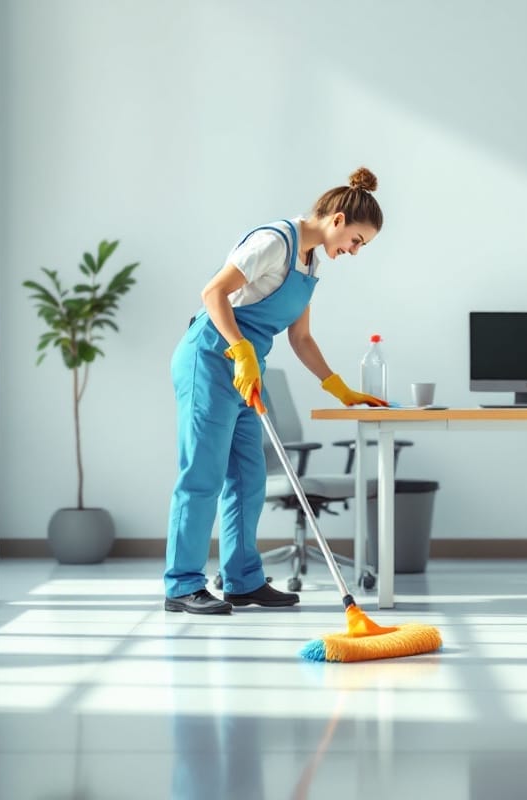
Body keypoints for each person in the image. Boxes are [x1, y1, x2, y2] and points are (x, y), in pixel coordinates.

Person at [164, 167, 388, 615]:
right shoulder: (274, 241)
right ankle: (182, 584)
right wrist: (241, 350)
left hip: (246, 369)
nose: (354, 251)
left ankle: (243, 581)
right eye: (357, 240)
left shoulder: (310, 262)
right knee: (202, 475)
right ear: (338, 219)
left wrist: (339, 387)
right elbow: (214, 293)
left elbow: (301, 339)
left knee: (248, 479)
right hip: (210, 357)